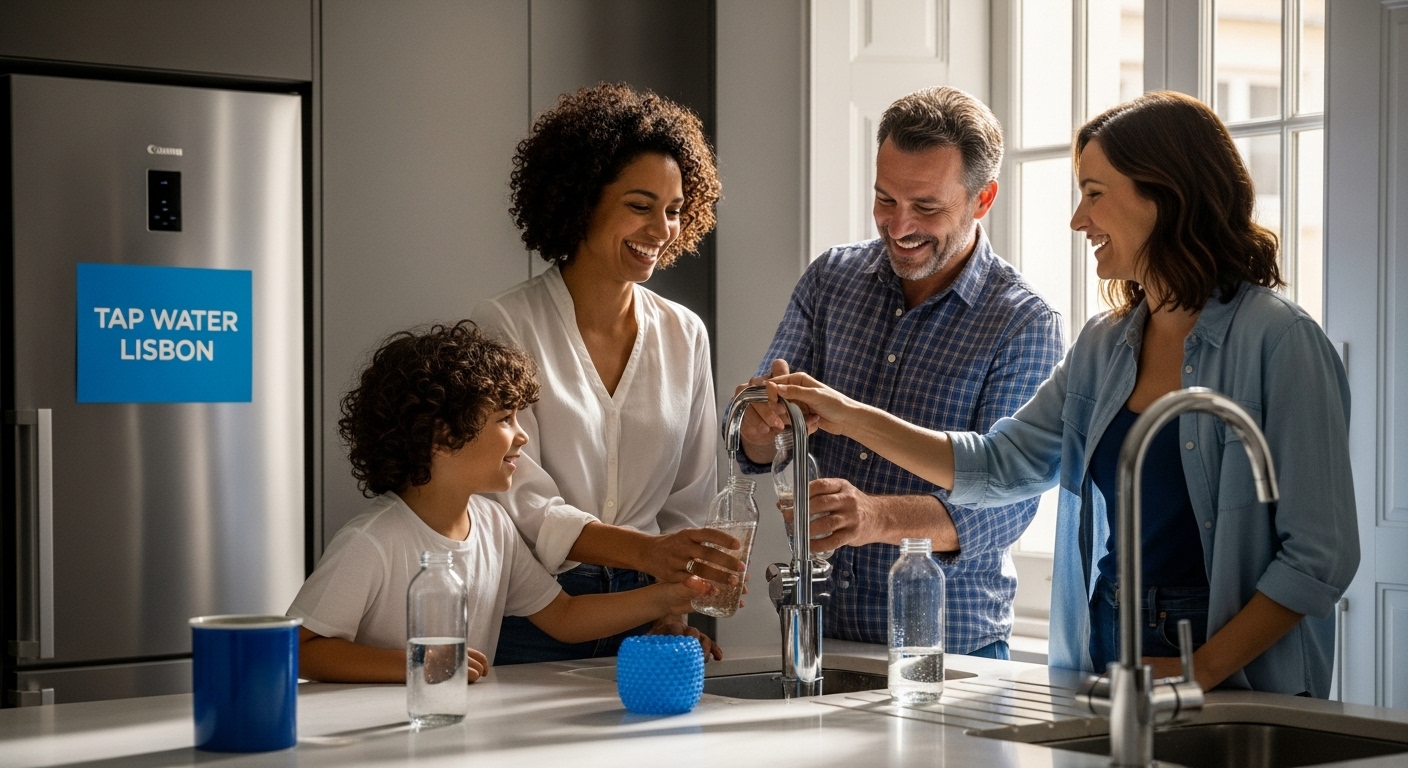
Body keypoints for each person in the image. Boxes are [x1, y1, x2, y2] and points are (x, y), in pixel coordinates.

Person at [766, 91, 1359, 697]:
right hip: (1110, 649)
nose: (1079, 220)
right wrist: (845, 415)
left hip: (1233, 671)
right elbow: (996, 464)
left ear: (1165, 197)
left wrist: (1198, 671)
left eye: (1095, 195)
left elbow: (1319, 558)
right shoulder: (1104, 346)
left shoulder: (1281, 342)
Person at [736, 86, 1066, 660]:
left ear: (982, 199)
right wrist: (761, 424)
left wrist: (873, 517)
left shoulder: (1023, 322)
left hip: (951, 655)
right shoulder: (831, 279)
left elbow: (1005, 507)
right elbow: (754, 442)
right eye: (885, 199)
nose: (899, 224)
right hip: (820, 638)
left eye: (927, 208)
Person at [289, 322, 718, 683]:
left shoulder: (494, 526)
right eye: (504, 420)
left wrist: (670, 597)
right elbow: (302, 649)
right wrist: (419, 663)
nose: (522, 435)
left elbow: (564, 617)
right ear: (442, 436)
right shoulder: (373, 541)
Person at [471, 83, 734, 664]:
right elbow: (521, 499)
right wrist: (650, 554)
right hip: (534, 608)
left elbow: (688, 500)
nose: (661, 230)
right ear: (582, 200)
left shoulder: (684, 333)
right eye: (640, 206)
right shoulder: (506, 326)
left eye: (673, 211)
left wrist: (671, 608)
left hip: (648, 608)